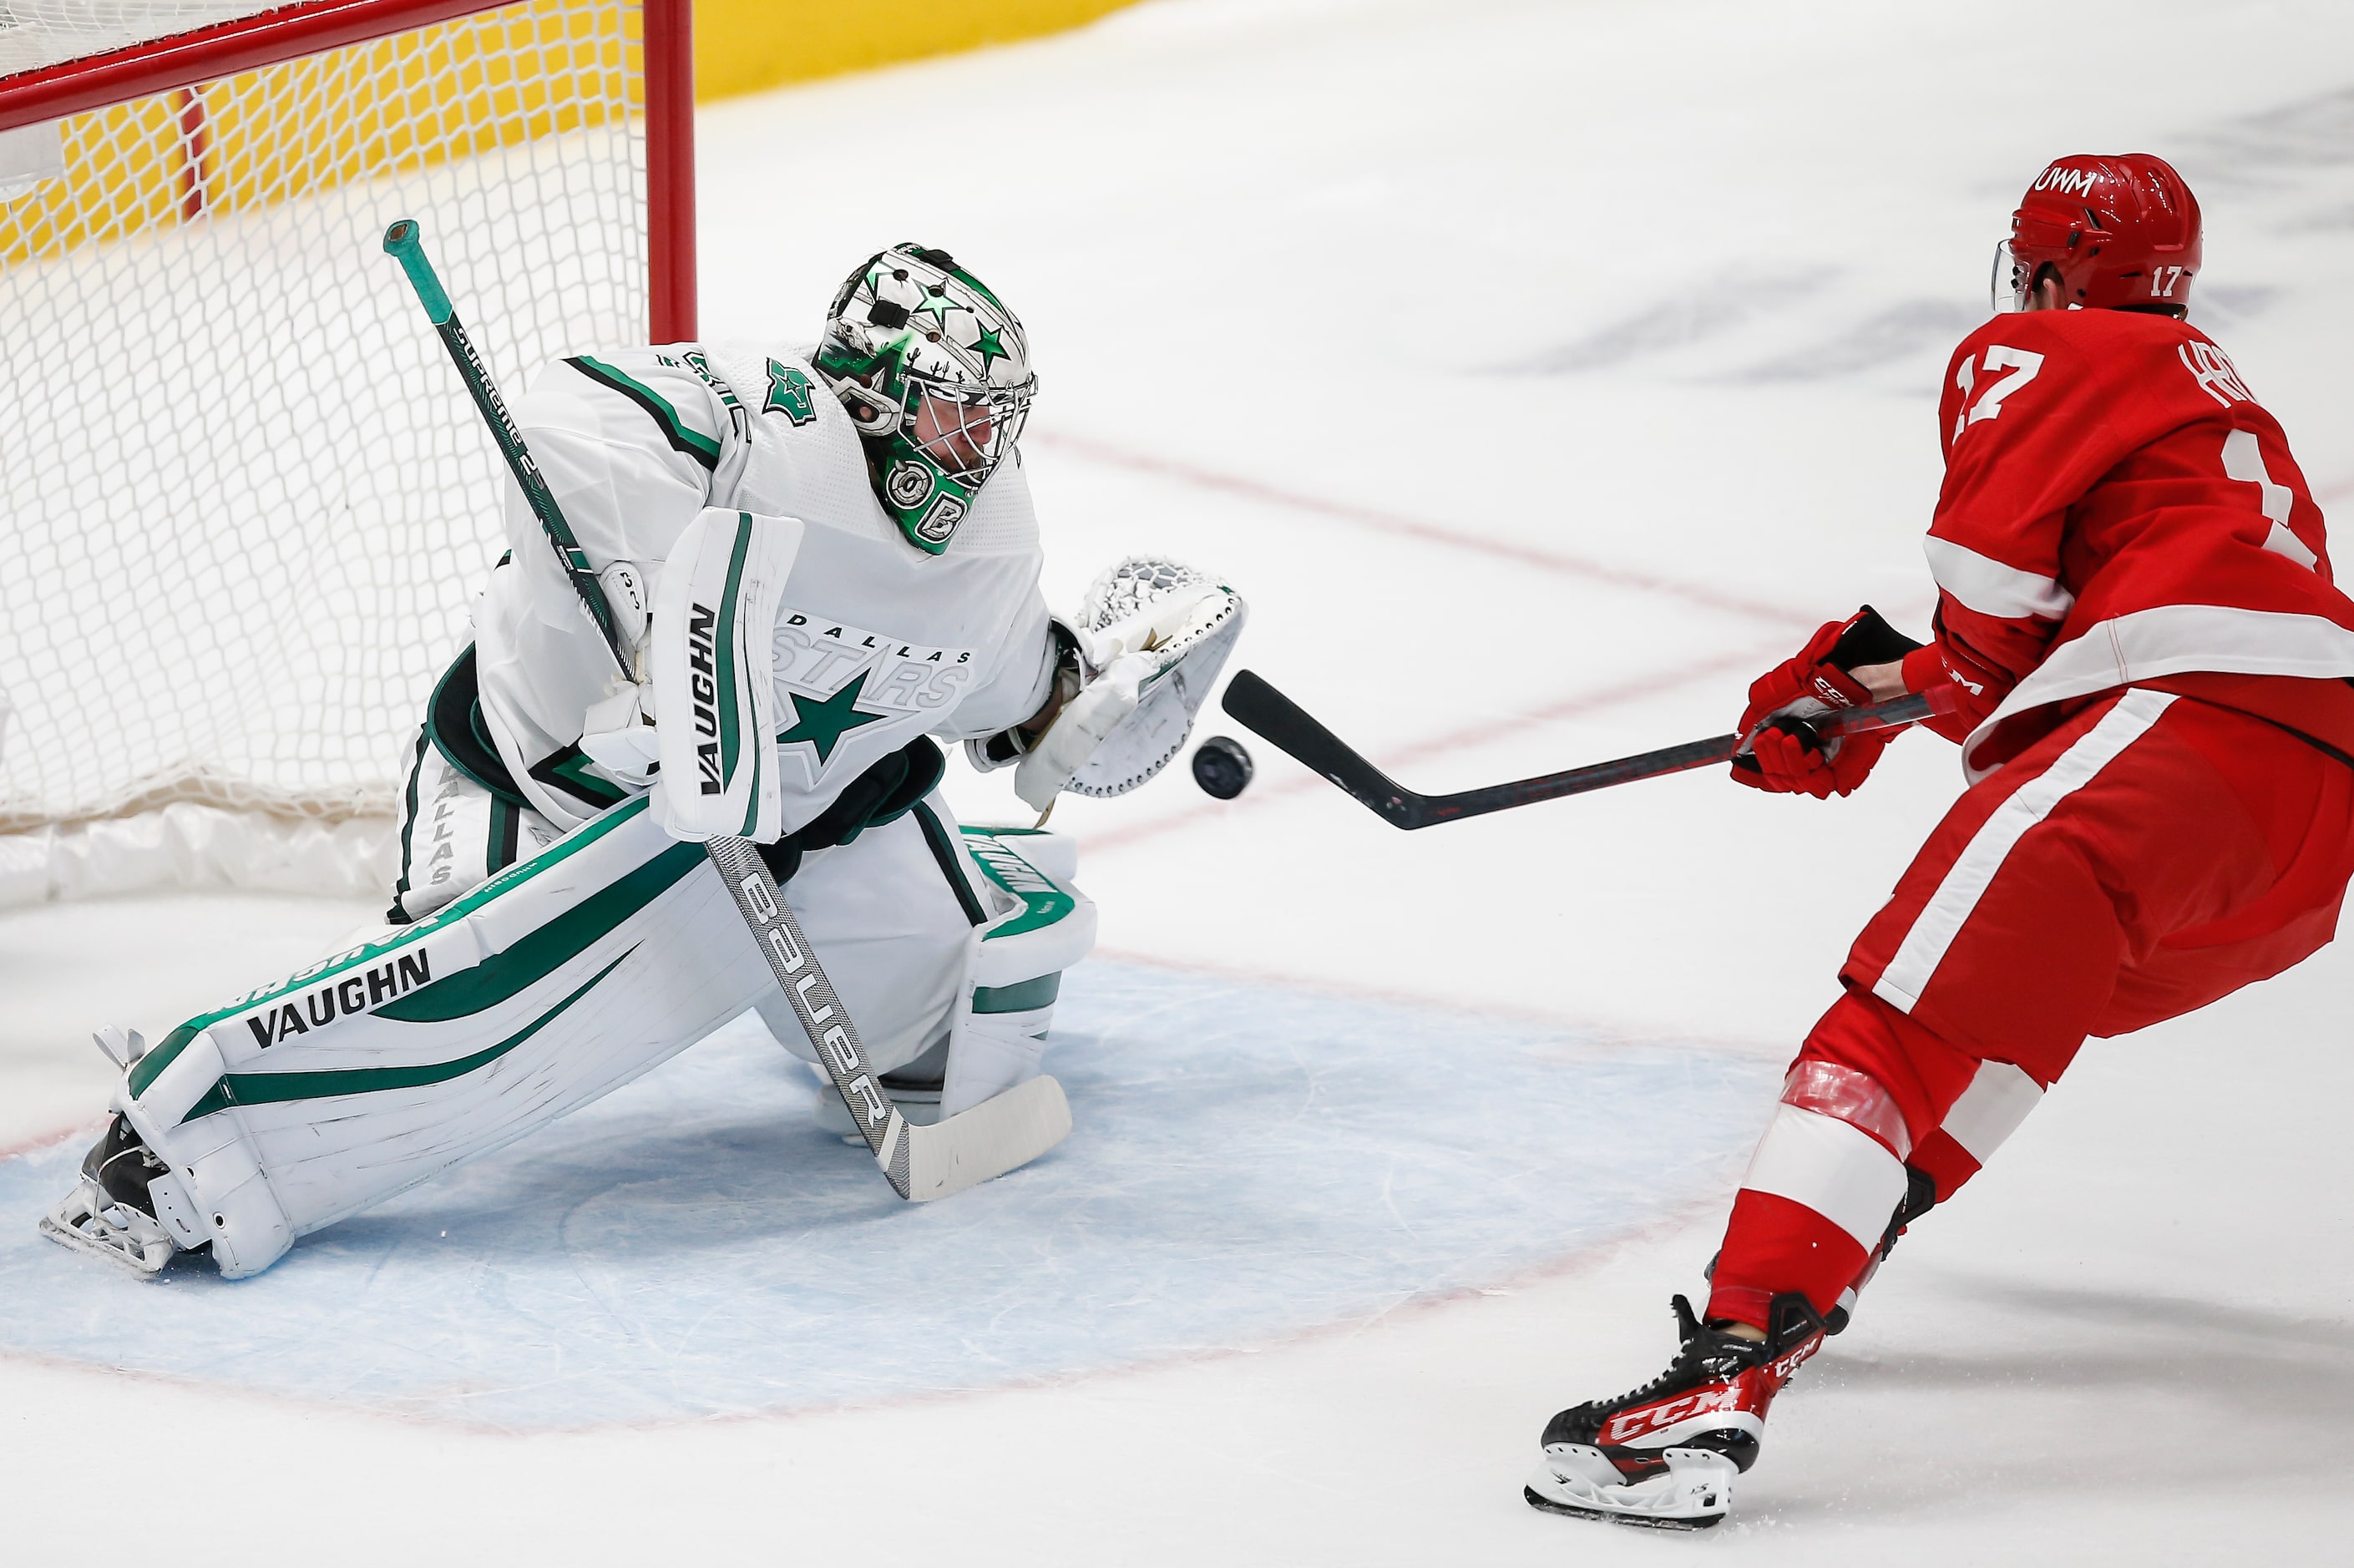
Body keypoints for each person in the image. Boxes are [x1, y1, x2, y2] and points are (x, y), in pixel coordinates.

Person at [42, 242, 1243, 1278]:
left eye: (994, 416)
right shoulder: (768, 416)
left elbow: (1024, 706)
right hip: (547, 781)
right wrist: (667, 634)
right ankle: (188, 1144)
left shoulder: (994, 546)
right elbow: (565, 418)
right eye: (951, 412)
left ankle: (908, 938)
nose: (976, 448)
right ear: (873, 392)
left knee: (958, 1048)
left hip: (813, 832)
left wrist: (1107, 698)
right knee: (458, 996)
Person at [1526, 154, 2354, 1530]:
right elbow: (2028, 642)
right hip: (2307, 824)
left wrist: (1853, 705)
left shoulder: (2039, 346)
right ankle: (1824, 1256)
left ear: (2047, 267)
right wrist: (1861, 697)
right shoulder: (2214, 396)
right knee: (2001, 1021)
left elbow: (1986, 631)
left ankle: (1721, 1374)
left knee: (1896, 1028)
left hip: (2176, 733)